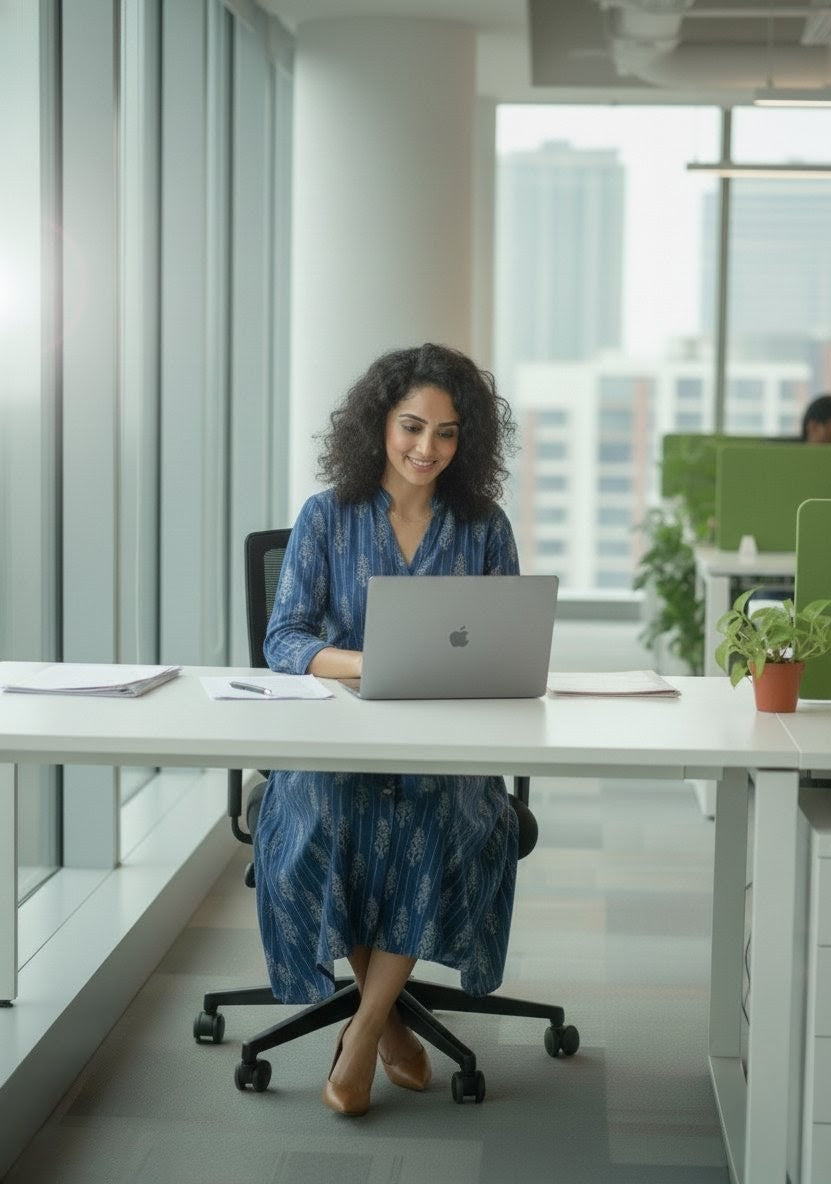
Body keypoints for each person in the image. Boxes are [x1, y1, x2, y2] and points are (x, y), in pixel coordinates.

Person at [253, 343, 521, 1117]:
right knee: (332, 819)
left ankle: (365, 1029)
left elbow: (507, 642)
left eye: (446, 433)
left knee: (437, 820)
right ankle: (394, 1026)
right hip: (338, 750)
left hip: (448, 755)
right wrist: (360, 663)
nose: (426, 449)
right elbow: (286, 640)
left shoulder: (482, 527)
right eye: (412, 427)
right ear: (380, 423)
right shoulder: (326, 516)